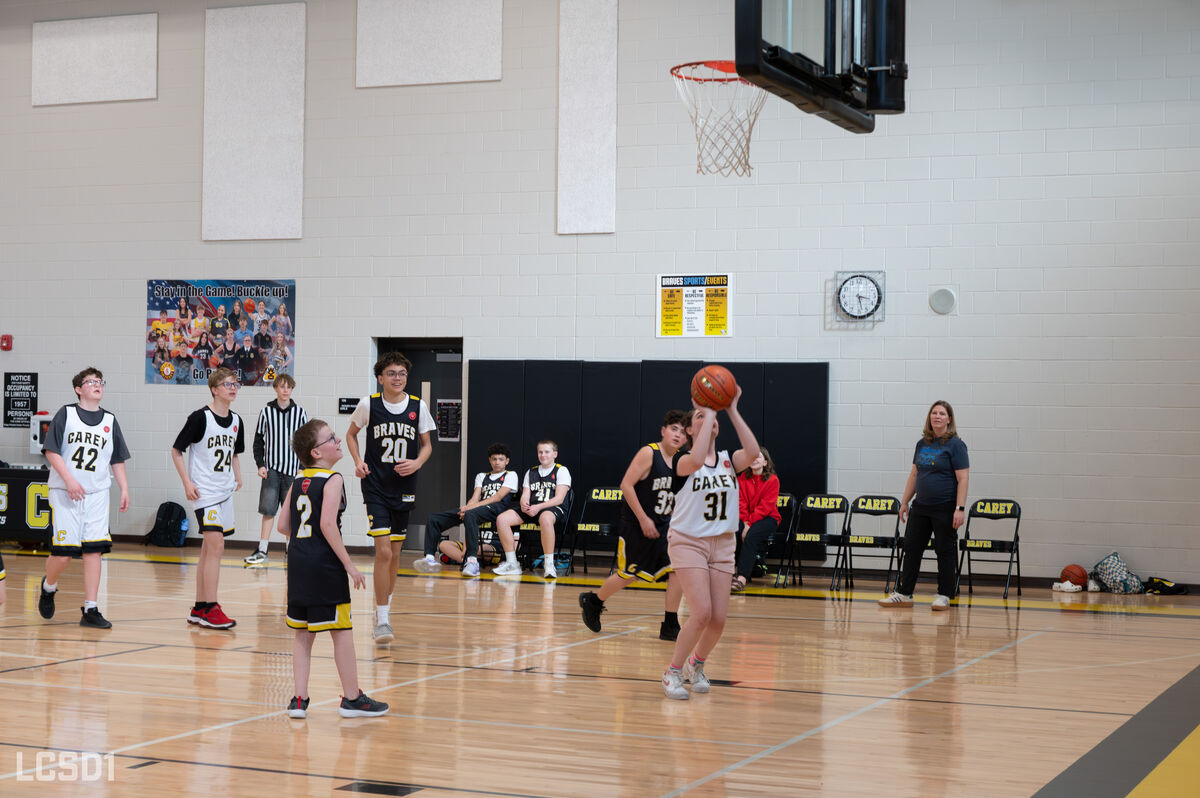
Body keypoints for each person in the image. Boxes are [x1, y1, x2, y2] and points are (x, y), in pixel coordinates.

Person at [277, 419, 389, 719]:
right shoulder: (333, 479)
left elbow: (283, 526)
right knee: (341, 631)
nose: (338, 440)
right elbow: (327, 524)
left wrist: (305, 541)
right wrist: (349, 565)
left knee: (302, 634)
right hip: (324, 566)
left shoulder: (297, 480)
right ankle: (352, 698)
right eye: (331, 438)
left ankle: (299, 700)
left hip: (298, 563)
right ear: (316, 452)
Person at [661, 395, 760, 700]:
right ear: (690, 430)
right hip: (688, 542)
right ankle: (672, 672)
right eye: (700, 417)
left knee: (718, 620)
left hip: (724, 544)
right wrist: (709, 407)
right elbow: (697, 458)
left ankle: (696, 664)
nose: (708, 419)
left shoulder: (730, 460)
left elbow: (753, 452)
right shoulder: (682, 461)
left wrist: (731, 409)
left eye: (711, 417)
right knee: (701, 612)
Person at [345, 352, 434, 646]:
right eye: (392, 373)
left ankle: (384, 607)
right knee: (383, 552)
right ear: (380, 377)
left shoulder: (418, 406)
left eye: (402, 373)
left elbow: (427, 445)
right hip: (375, 486)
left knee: (395, 554)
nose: (398, 378)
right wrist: (358, 461)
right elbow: (350, 435)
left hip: (404, 486)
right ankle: (382, 620)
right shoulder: (368, 404)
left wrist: (417, 463)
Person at [579, 411, 688, 641]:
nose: (678, 435)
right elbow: (626, 485)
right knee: (630, 574)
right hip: (637, 525)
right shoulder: (649, 453)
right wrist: (643, 519)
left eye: (682, 432)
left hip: (664, 526)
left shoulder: (681, 460)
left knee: (678, 569)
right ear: (663, 431)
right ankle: (594, 602)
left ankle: (670, 623)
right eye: (674, 429)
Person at [37, 368, 131, 629]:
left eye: (100, 381)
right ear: (78, 389)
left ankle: (91, 608)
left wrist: (124, 488)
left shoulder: (110, 420)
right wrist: (69, 480)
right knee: (64, 555)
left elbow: (117, 458)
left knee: (93, 551)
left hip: (97, 494)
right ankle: (48, 586)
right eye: (91, 382)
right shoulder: (66, 414)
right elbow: (51, 451)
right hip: (65, 492)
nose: (97, 385)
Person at [170, 368, 244, 629]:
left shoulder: (237, 420)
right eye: (227, 384)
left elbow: (234, 452)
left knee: (207, 550)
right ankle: (211, 608)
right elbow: (176, 450)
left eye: (235, 384)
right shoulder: (200, 417)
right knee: (216, 547)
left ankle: (200, 607)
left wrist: (238, 476)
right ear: (214, 389)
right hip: (204, 492)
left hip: (225, 491)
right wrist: (187, 482)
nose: (232, 388)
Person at [879, 400, 970, 611]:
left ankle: (944, 595)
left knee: (944, 550)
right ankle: (904, 593)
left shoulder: (956, 445)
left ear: (949, 419)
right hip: (920, 506)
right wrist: (904, 502)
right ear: (930, 417)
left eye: (942, 413)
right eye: (934, 413)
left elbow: (963, 478)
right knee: (911, 548)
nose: (937, 416)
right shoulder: (922, 444)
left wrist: (960, 508)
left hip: (945, 507)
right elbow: (914, 474)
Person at [413, 442, 518, 578]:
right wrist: (466, 509)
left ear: (507, 461)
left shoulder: (511, 475)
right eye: (494, 459)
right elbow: (475, 497)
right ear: (489, 460)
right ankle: (429, 558)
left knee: (471, 514)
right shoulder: (482, 476)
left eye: (501, 459)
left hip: (497, 510)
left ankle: (472, 561)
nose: (497, 462)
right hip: (477, 510)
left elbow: (498, 497)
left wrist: (470, 509)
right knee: (434, 519)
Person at [244, 374, 308, 566]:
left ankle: (291, 551)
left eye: (289, 387)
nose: (285, 390)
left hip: (293, 471)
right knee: (268, 510)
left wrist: (302, 467)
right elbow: (258, 441)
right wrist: (260, 464)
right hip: (271, 469)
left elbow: (306, 442)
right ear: (275, 388)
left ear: (292, 389)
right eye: (281, 386)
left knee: (290, 513)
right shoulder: (266, 411)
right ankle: (263, 550)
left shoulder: (300, 412)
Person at [493, 440, 571, 578]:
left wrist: (539, 507)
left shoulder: (561, 470)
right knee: (502, 519)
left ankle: (549, 565)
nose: (543, 455)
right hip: (533, 508)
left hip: (553, 508)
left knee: (545, 518)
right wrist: (524, 503)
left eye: (547, 452)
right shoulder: (531, 472)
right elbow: (526, 494)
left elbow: (559, 499)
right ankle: (512, 563)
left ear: (555, 454)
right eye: (540, 452)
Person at [731, 447, 781, 592]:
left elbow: (765, 507)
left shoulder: (773, 480)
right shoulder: (742, 478)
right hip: (746, 518)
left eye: (758, 457)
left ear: (765, 462)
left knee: (751, 536)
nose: (754, 459)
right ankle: (732, 573)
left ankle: (742, 578)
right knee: (734, 532)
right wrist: (746, 522)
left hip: (768, 518)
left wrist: (749, 525)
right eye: (752, 457)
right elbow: (740, 503)